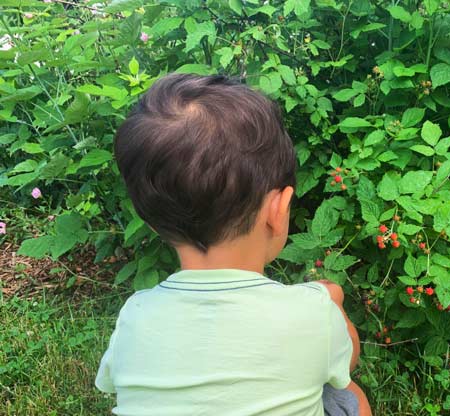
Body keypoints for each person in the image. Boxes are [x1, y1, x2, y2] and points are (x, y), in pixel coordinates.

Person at [95, 73, 371, 416]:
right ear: (278, 210)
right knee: (347, 395)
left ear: (152, 222)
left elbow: (113, 385)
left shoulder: (134, 315)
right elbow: (349, 359)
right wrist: (334, 303)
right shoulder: (313, 311)